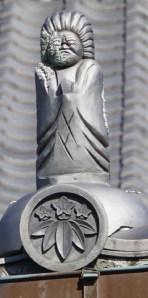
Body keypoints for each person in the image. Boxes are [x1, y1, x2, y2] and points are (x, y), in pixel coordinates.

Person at [35, 11, 109, 188]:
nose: (64, 46)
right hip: (55, 136)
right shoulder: (45, 72)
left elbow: (86, 101)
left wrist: (68, 96)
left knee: (84, 158)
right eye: (58, 42)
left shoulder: (90, 67)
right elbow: (47, 106)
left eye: (70, 42)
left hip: (83, 134)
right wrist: (54, 89)